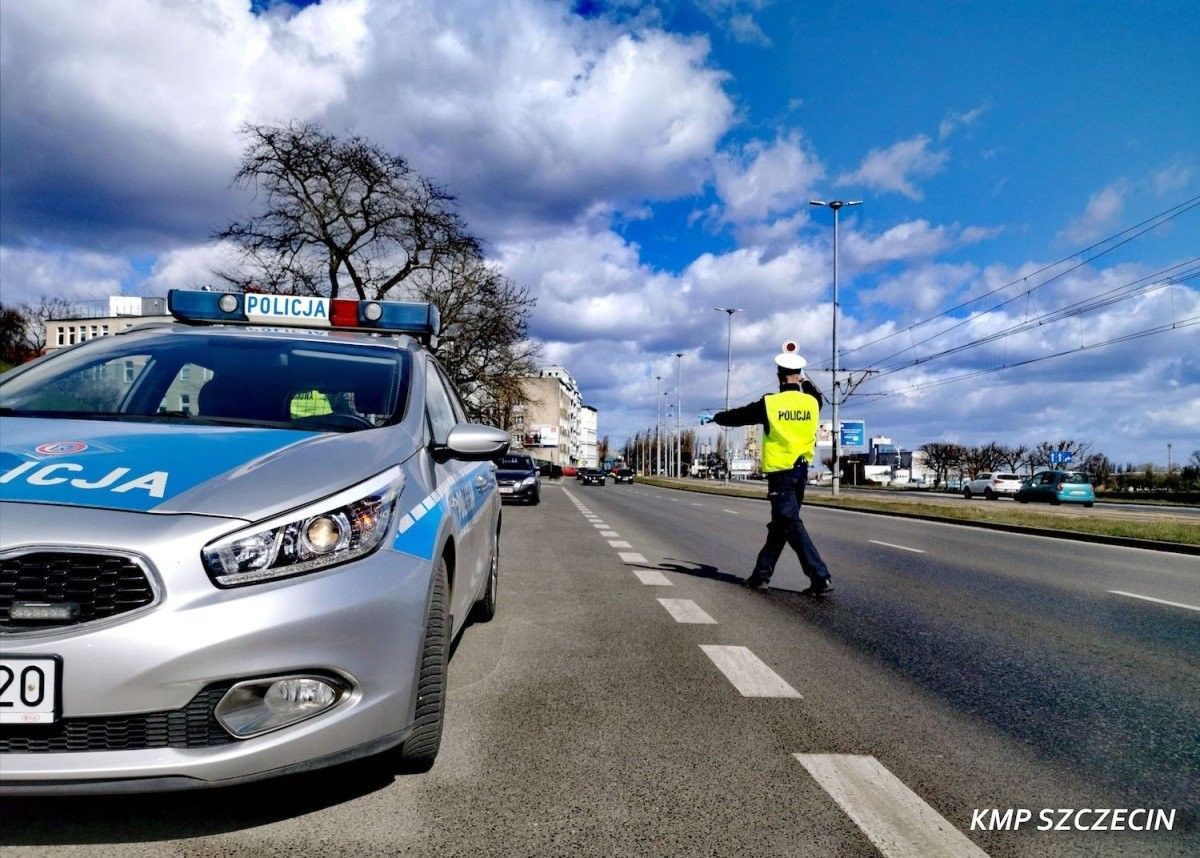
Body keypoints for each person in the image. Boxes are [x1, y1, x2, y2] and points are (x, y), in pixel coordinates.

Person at [708, 341, 833, 595]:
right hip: (801, 472)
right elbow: (814, 393)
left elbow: (739, 416)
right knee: (782, 524)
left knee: (789, 522)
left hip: (781, 474)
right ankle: (760, 576)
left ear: (778, 377)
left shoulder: (770, 404)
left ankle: (820, 577)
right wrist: (804, 377)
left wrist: (717, 417)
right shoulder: (813, 402)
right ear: (799, 376)